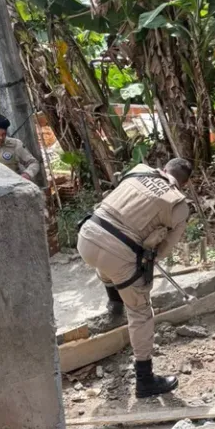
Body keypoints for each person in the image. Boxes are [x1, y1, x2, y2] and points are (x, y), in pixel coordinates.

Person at [77, 158, 193, 398]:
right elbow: (163, 250)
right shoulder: (179, 206)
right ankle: (145, 380)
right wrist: (144, 265)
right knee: (140, 311)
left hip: (86, 237)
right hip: (117, 256)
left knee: (109, 266)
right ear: (185, 184)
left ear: (164, 168)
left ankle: (115, 305)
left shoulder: (138, 170)